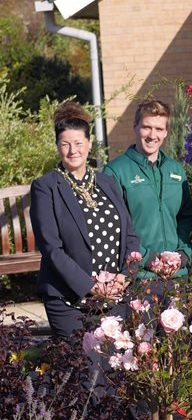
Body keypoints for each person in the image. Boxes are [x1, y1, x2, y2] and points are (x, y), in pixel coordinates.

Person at [31, 102, 139, 338]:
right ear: (57, 146)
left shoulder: (107, 182)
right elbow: (51, 248)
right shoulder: (46, 187)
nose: (73, 150)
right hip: (69, 298)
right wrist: (91, 286)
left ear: (89, 144)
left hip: (114, 294)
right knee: (79, 368)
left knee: (114, 371)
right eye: (65, 144)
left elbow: (130, 236)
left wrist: (124, 276)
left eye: (78, 143)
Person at [103, 100, 192, 278]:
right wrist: (147, 258)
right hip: (138, 276)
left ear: (166, 132)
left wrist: (183, 255)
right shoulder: (115, 171)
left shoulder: (176, 170)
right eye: (146, 127)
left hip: (177, 274)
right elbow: (114, 227)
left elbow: (186, 218)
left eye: (159, 129)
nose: (152, 135)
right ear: (135, 127)